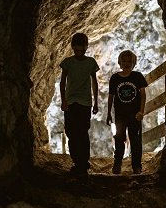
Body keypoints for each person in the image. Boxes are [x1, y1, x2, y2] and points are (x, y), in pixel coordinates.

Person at [60, 33, 99, 178]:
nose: (79, 53)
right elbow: (62, 82)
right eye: (77, 51)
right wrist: (63, 100)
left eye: (82, 51)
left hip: (85, 103)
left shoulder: (90, 63)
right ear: (72, 48)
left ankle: (83, 162)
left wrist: (96, 102)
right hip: (70, 102)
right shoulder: (67, 62)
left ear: (86, 48)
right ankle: (77, 161)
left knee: (82, 132)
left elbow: (95, 83)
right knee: (71, 132)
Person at [106, 50, 148, 174]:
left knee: (135, 140)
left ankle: (136, 166)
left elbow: (143, 95)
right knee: (119, 139)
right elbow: (111, 96)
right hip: (120, 115)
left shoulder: (137, 76)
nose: (127, 63)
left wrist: (141, 111)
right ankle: (117, 164)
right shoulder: (114, 78)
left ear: (134, 62)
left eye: (129, 61)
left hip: (134, 114)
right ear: (120, 62)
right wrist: (108, 113)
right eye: (124, 61)